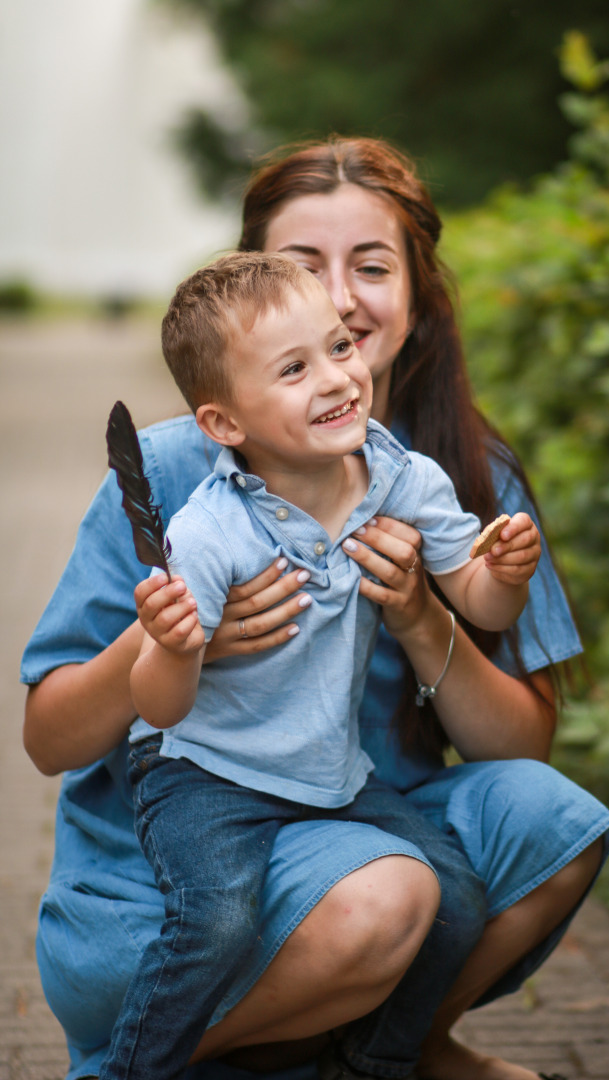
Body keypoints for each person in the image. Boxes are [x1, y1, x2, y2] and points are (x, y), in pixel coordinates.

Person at [22, 136, 609, 1080]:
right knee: (382, 895)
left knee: (532, 825)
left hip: (340, 803)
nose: (340, 298)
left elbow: (517, 742)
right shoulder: (180, 479)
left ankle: (391, 1054)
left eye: (371, 268)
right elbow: (49, 740)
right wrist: (176, 640)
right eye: (304, 266)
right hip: (182, 850)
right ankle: (143, 1063)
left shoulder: (441, 473)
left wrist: (427, 617)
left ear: (418, 300)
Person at [100, 249, 540, 1080]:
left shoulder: (399, 477)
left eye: (339, 348)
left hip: (329, 769)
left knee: (455, 901)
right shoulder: (209, 532)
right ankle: (129, 1070)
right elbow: (160, 708)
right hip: (203, 770)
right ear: (224, 423)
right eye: (294, 368)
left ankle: (372, 1062)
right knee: (217, 922)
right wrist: (171, 643)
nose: (337, 378)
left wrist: (501, 575)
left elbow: (479, 604)